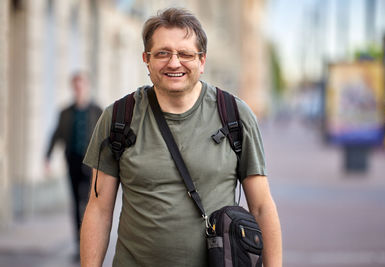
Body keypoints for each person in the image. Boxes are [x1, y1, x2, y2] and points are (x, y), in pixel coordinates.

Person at [81, 8, 282, 267]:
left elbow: (262, 207)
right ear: (147, 59)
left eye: (185, 54)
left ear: (202, 60)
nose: (174, 63)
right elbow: (98, 209)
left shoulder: (234, 115)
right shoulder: (119, 117)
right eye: (162, 53)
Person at [46, 72, 102, 257]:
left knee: (88, 204)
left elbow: (105, 137)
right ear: (73, 88)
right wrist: (47, 157)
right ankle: (80, 245)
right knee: (76, 204)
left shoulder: (97, 111)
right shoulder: (65, 112)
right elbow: (56, 134)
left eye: (82, 85)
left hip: (92, 165)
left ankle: (90, 245)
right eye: (75, 85)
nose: (79, 89)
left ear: (87, 86)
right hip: (72, 163)